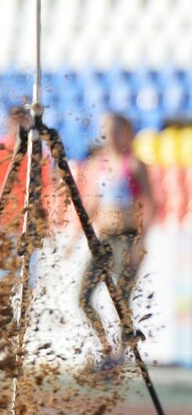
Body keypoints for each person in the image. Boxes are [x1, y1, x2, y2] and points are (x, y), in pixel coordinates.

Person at [79, 112, 157, 350]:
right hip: (104, 238)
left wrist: (140, 242)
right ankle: (104, 346)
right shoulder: (99, 165)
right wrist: (76, 236)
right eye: (106, 131)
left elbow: (151, 204)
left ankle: (122, 349)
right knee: (84, 297)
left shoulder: (134, 163)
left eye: (115, 131)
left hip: (126, 236)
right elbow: (93, 204)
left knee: (122, 295)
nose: (110, 137)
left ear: (125, 133)